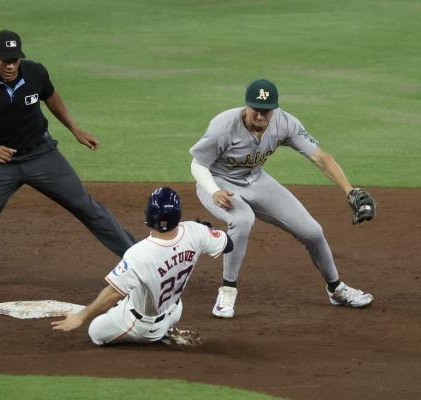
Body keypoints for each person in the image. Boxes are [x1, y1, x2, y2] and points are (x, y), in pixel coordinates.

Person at [0, 30, 135, 286]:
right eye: (4, 60)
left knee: (88, 208)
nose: (11, 65)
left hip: (43, 155)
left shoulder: (35, 72)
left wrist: (75, 128)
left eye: (15, 59)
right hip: (2, 162)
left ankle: (138, 258)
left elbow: (51, 98)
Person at [189, 78, 376, 318]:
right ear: (246, 106)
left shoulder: (285, 123)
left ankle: (336, 288)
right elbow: (198, 164)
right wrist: (214, 190)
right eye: (256, 109)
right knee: (243, 220)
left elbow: (320, 157)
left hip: (256, 179)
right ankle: (228, 289)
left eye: (267, 110)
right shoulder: (223, 126)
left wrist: (350, 190)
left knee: (312, 231)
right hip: (217, 181)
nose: (261, 116)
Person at [51, 187, 234, 346]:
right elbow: (229, 244)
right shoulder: (196, 232)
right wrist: (205, 230)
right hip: (174, 309)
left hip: (143, 326)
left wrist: (81, 316)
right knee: (144, 285)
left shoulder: (139, 253)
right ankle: (166, 328)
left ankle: (159, 334)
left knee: (95, 333)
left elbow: (114, 292)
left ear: (148, 216)